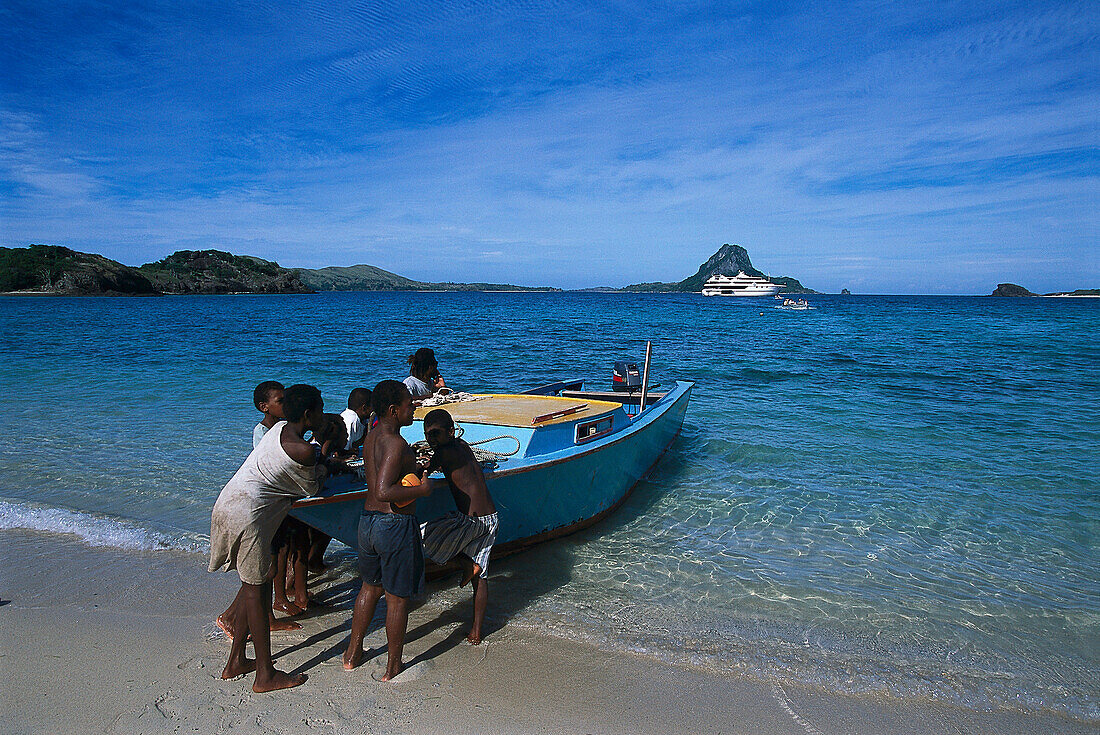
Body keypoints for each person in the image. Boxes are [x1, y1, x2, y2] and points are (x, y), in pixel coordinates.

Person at [208, 384, 328, 692]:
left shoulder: (279, 429)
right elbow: (312, 488)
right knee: (257, 593)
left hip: (231, 504)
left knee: (255, 587)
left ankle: (235, 662)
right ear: (308, 414)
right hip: (248, 518)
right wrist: (325, 462)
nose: (324, 413)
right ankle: (265, 675)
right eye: (320, 408)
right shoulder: (302, 449)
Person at [343, 380, 434, 679]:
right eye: (409, 403)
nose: (414, 407)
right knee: (397, 598)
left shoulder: (372, 437)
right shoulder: (396, 443)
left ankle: (352, 653)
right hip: (392, 524)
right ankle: (393, 665)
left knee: (369, 588)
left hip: (367, 523)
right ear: (394, 410)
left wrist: (416, 468)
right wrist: (422, 489)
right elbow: (384, 490)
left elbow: (382, 480)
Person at [419, 408, 498, 645]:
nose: (432, 440)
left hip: (470, 521)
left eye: (436, 434)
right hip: (491, 519)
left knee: (420, 535)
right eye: (428, 435)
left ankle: (464, 563)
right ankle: (476, 631)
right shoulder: (461, 445)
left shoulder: (443, 453)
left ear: (451, 432)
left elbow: (422, 472)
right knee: (481, 577)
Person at [252, 381, 285, 448]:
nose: (286, 404)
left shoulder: (286, 423)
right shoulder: (261, 432)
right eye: (280, 401)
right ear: (264, 407)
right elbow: (262, 455)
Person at [340, 387, 372, 453]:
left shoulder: (363, 419)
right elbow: (341, 449)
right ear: (364, 408)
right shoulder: (351, 421)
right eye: (372, 407)